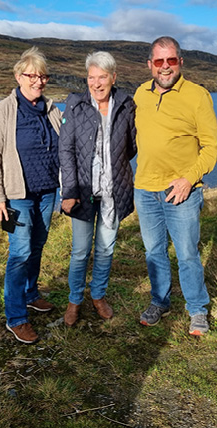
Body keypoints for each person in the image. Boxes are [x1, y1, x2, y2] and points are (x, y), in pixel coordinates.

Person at [133, 36, 217, 336]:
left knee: (187, 254)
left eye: (171, 60)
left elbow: (211, 147)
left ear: (180, 62)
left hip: (181, 191)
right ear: (150, 65)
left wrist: (189, 179)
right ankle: (160, 301)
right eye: (159, 62)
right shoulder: (140, 94)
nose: (165, 67)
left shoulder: (198, 96)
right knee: (154, 252)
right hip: (145, 189)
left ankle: (197, 310)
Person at [0, 46, 61, 344]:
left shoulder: (53, 110)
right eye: (32, 75)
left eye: (43, 76)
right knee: (20, 253)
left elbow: (66, 145)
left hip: (46, 191)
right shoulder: (2, 111)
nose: (38, 81)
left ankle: (30, 294)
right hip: (17, 195)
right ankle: (16, 317)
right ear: (18, 76)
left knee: (38, 246)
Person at [59, 51, 136, 325]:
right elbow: (65, 150)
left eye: (102, 77)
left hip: (113, 192)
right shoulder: (75, 106)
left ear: (113, 77)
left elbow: (131, 147)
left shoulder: (126, 104)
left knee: (105, 249)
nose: (96, 83)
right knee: (81, 251)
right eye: (91, 77)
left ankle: (99, 295)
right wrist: (68, 191)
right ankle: (74, 300)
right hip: (82, 192)